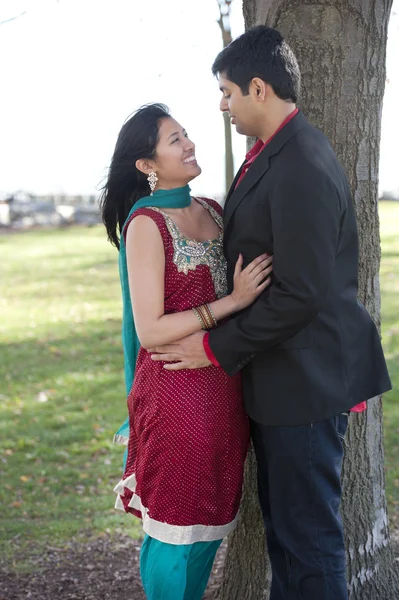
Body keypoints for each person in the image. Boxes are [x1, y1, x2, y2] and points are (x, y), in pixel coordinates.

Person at [148, 27, 392, 599]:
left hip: (305, 384)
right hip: (284, 379)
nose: (222, 104)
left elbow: (301, 294)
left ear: (258, 88)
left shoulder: (300, 161)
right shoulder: (270, 154)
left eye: (228, 91)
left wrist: (212, 347)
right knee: (286, 538)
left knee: (308, 545)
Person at [99, 103, 273, 600]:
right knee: (173, 537)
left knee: (208, 535)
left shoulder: (215, 212)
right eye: (174, 140)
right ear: (147, 165)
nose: (189, 143)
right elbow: (151, 329)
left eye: (187, 134)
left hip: (225, 396)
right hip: (174, 398)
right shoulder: (146, 226)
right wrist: (234, 300)